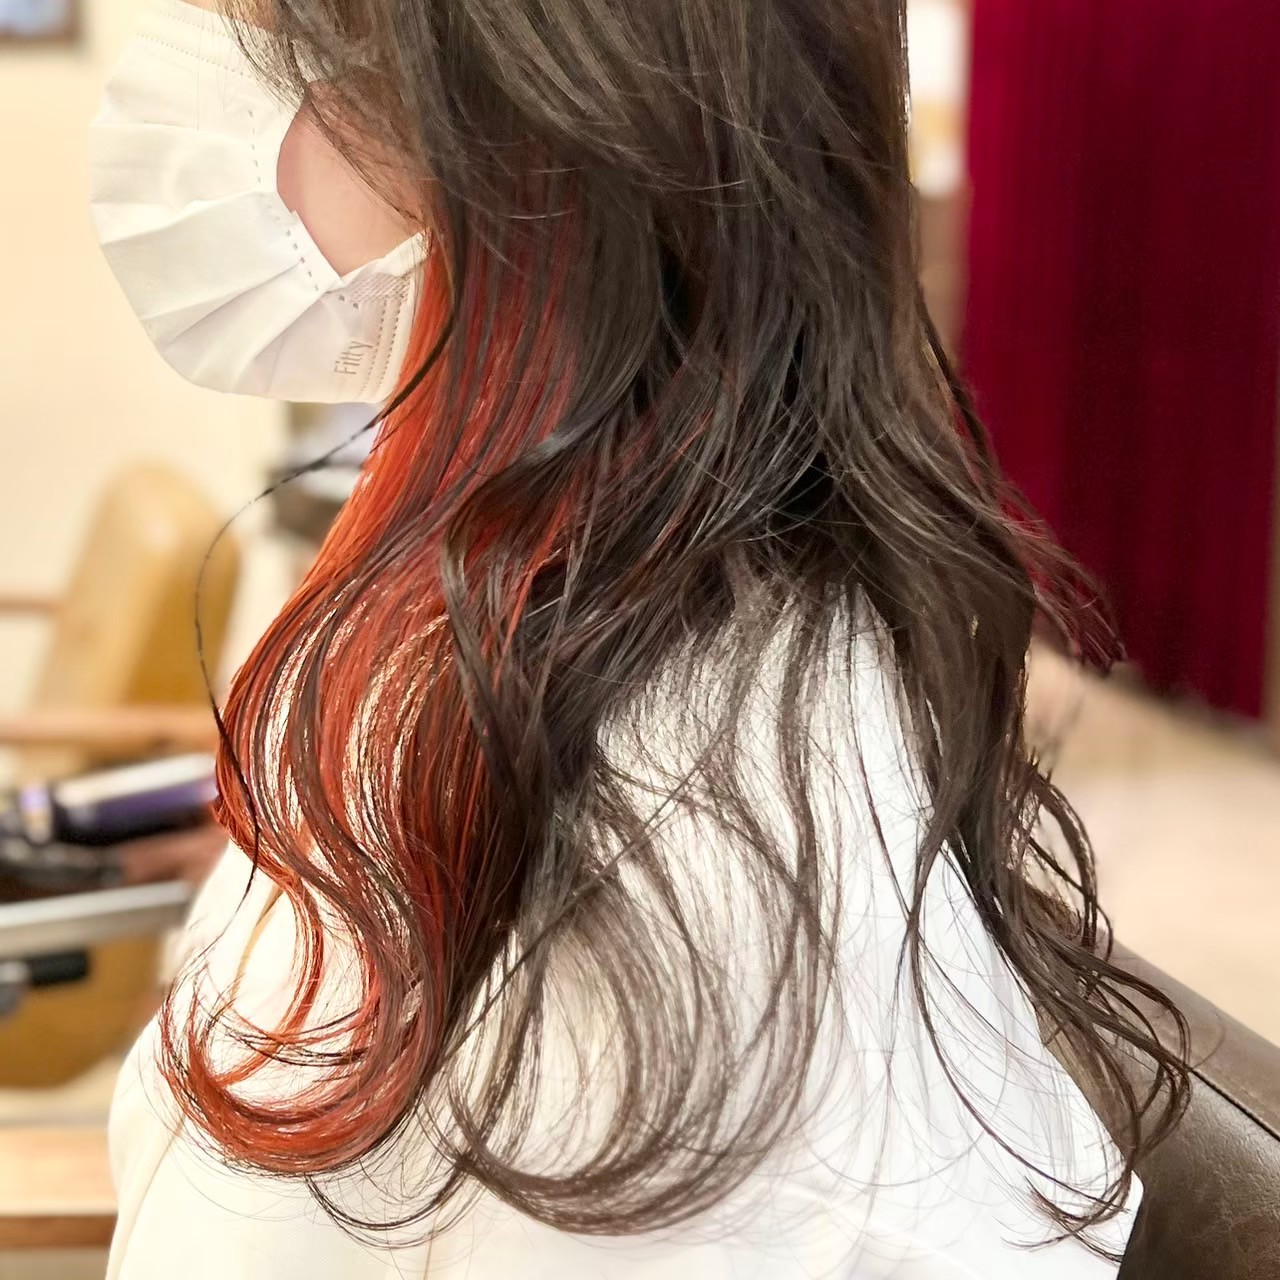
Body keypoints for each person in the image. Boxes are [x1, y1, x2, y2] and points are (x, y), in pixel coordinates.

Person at [88, 1, 1189, 1275]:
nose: (204, 94)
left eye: (271, 37)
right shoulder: (549, 606)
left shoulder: (684, 835)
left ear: (533, 143)